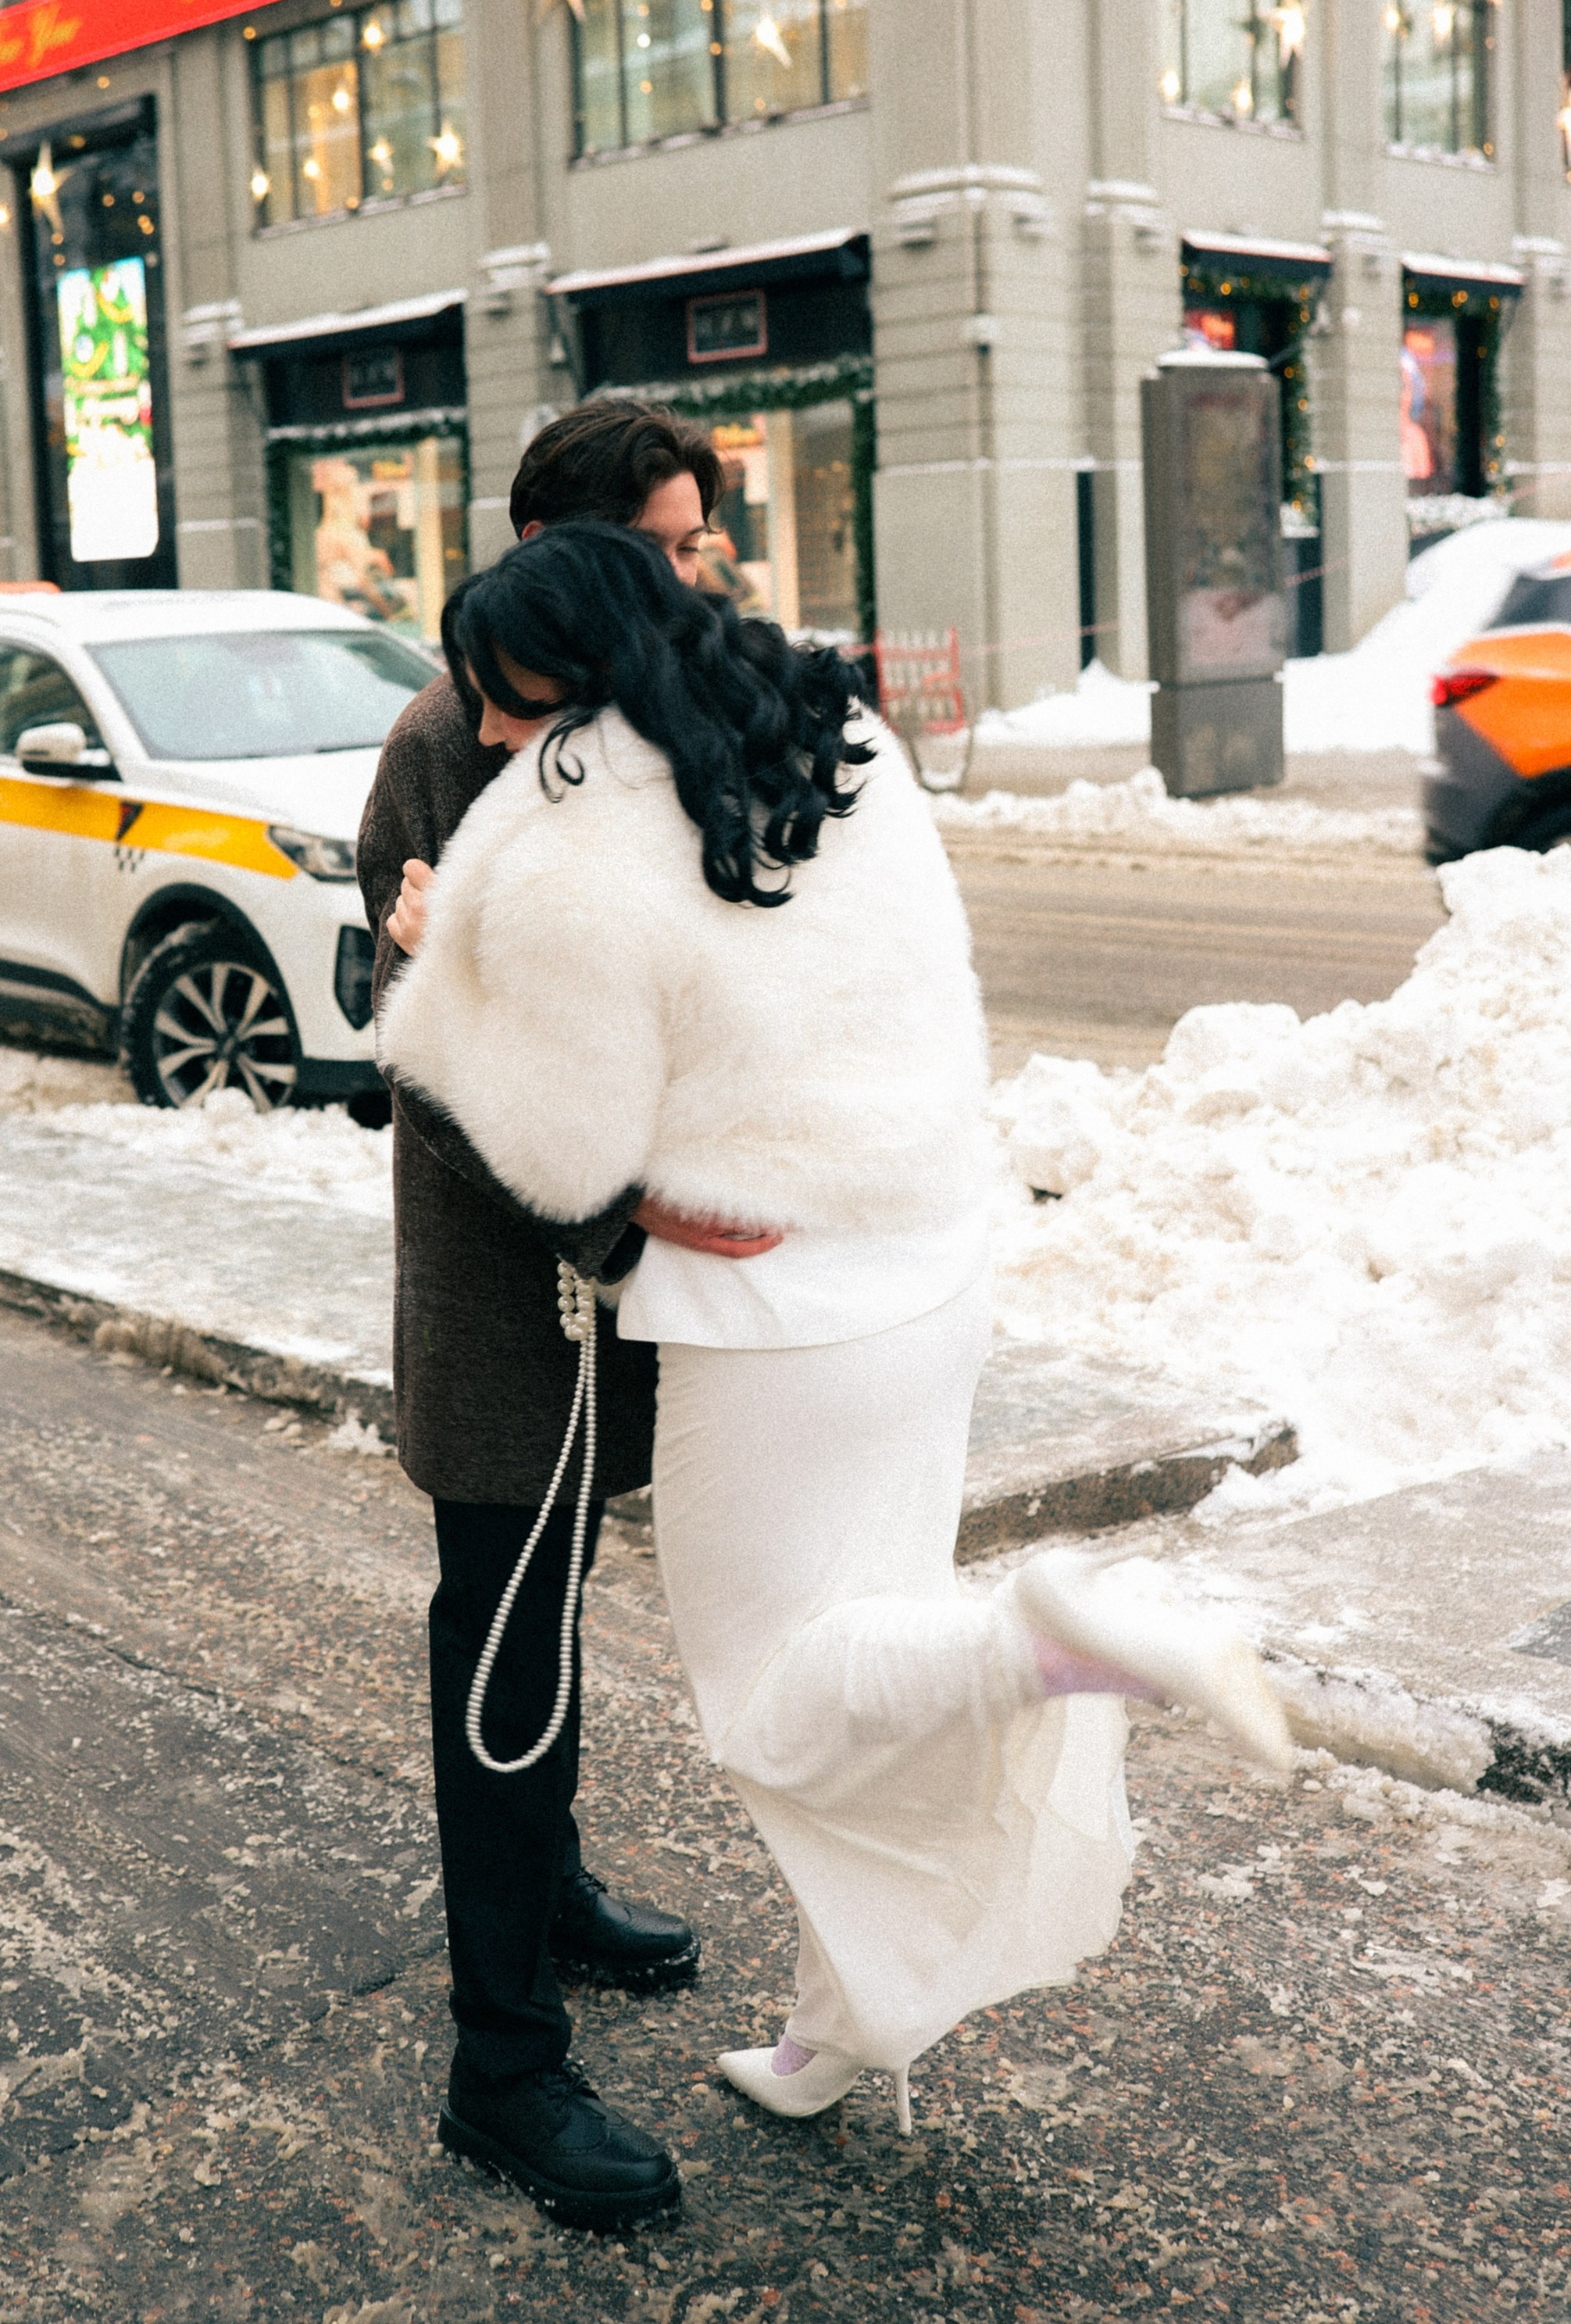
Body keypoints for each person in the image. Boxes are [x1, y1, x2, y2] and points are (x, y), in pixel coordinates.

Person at [378, 521, 1292, 2157]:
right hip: (928, 1272)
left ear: (568, 681)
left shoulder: (568, 839)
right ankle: (833, 2024)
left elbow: (560, 1155)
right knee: (865, 1634)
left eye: (505, 707)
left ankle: (1050, 1641)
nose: (492, 744)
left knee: (782, 1704)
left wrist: (432, 961)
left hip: (770, 1321)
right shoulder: (829, 730)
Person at [355, 400, 734, 2238]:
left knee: (557, 1610)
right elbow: (435, 1050)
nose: (703, 568)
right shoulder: (450, 743)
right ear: (574, 559)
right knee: (497, 1649)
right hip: (518, 1305)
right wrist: (603, 1226)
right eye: (670, 542)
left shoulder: (640, 728)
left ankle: (554, 1888)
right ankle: (498, 2065)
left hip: (625, 1295)